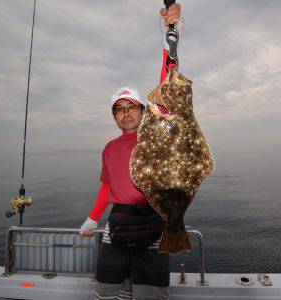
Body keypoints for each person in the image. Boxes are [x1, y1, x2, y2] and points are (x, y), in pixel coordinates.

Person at [79, 4, 183, 300]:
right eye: (119, 110)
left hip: (153, 223)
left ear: (143, 111)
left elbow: (167, 83)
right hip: (117, 227)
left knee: (150, 294)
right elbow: (107, 187)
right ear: (114, 117)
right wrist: (92, 219)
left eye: (131, 108)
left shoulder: (156, 131)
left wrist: (170, 38)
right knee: (109, 292)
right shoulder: (109, 148)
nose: (125, 114)